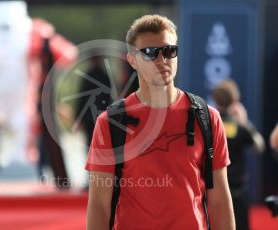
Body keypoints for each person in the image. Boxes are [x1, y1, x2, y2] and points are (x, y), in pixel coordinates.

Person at [85, 15, 235, 230]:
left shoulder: (207, 117)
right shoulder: (110, 122)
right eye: (149, 53)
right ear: (132, 60)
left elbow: (219, 199)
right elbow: (99, 204)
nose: (161, 60)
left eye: (169, 51)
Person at [211, 79, 265, 230]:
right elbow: (259, 146)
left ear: (215, 100)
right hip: (238, 192)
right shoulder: (240, 127)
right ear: (234, 101)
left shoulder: (210, 124)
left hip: (214, 191)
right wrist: (245, 122)